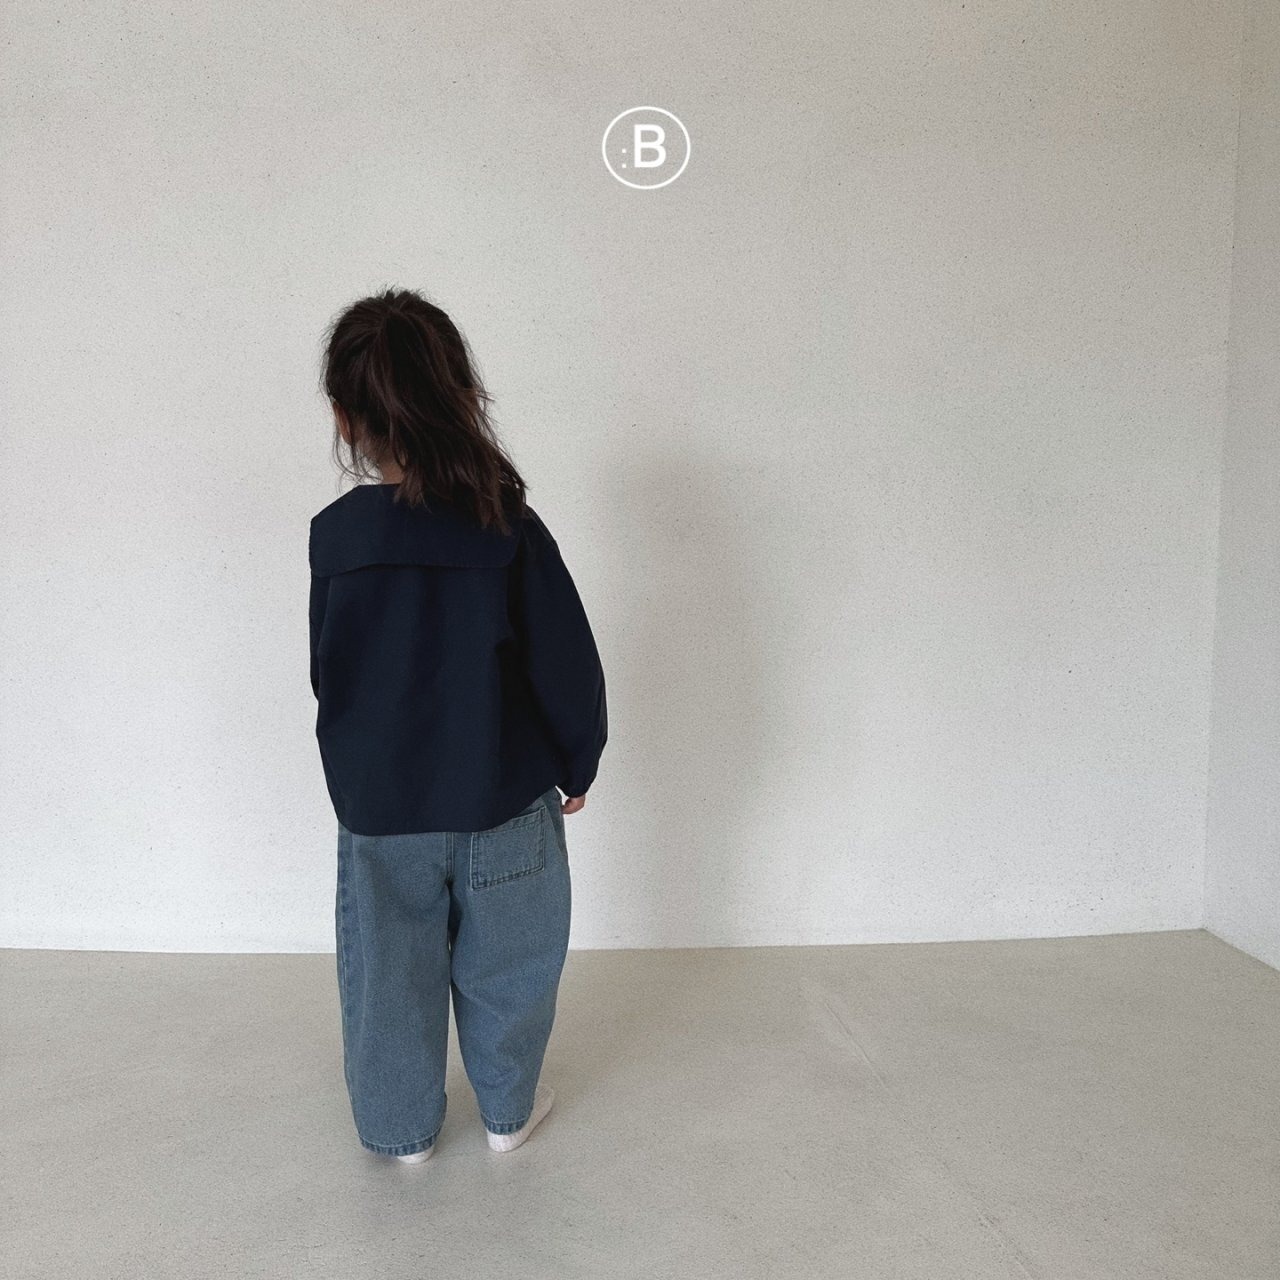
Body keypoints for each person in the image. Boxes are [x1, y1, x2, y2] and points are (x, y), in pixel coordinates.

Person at [308, 288, 608, 1164]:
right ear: (463, 397)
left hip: (384, 812)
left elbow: (331, 674)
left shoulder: (337, 540)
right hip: (503, 796)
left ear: (344, 416)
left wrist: (355, 780)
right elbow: (566, 660)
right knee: (512, 965)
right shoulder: (508, 525)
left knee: (387, 977)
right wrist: (578, 761)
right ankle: (508, 1114)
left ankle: (400, 1133)